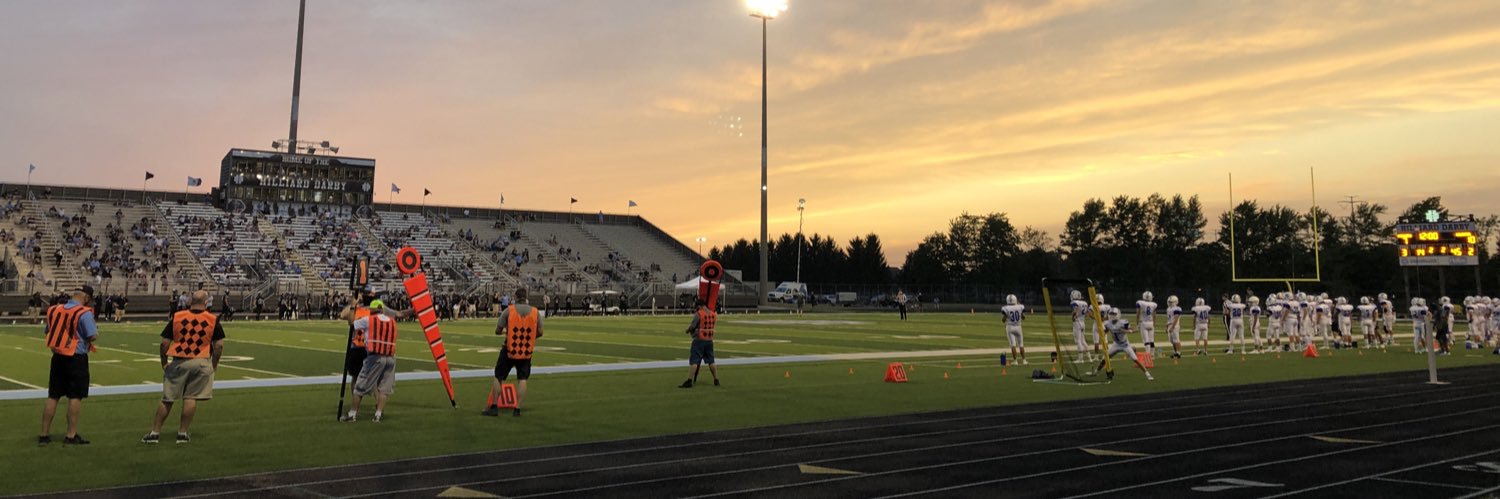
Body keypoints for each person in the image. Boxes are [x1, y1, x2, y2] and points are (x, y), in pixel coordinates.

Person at [142, 290, 224, 444]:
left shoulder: (178, 317)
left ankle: (154, 433)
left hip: (179, 361)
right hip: (201, 360)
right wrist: (214, 364)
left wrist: (164, 362)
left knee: (168, 398)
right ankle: (182, 433)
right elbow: (219, 345)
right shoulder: (212, 319)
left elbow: (164, 343)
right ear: (206, 303)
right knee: (191, 397)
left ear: (190, 301)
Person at [39, 285, 99, 446]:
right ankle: (71, 435)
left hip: (58, 356)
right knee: (75, 396)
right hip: (76, 357)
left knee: (53, 395)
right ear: (86, 298)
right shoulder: (83, 313)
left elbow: (48, 331)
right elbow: (92, 336)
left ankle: (44, 434)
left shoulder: (54, 310)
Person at [484, 288, 543, 416]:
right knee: (522, 379)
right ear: (526, 297)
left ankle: (494, 406)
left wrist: (509, 333)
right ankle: (517, 409)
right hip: (526, 350)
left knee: (499, 376)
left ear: (515, 297)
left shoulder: (508, 310)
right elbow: (540, 332)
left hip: (509, 348)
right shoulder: (535, 312)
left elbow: (498, 330)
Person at [340, 299, 399, 422]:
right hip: (391, 358)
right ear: (382, 309)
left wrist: (353, 306)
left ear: (372, 310)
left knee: (359, 387)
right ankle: (378, 414)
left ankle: (352, 414)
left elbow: (351, 323)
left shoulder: (369, 320)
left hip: (375, 356)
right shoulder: (392, 321)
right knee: (384, 388)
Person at [1090, 308, 1153, 381]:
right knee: (1105, 359)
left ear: (1118, 314)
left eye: (1114, 314)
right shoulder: (1107, 323)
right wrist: (1102, 333)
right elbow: (1106, 331)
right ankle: (1097, 371)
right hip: (1116, 344)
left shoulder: (1123, 322)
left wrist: (1125, 330)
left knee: (1135, 359)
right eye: (1111, 314)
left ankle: (1147, 374)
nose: (1112, 316)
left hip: (1125, 344)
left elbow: (1132, 330)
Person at [678, 299, 721, 388]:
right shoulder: (713, 314)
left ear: (699, 306)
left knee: (694, 360)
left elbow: (693, 326)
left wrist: (688, 330)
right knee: (711, 361)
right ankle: (716, 379)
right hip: (709, 340)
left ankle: (689, 380)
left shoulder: (699, 314)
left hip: (699, 340)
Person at [1001, 294, 1027, 365]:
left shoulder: (1006, 308)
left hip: (1010, 327)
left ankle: (1015, 361)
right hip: (1018, 327)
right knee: (1021, 344)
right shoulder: (1020, 307)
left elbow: (1003, 320)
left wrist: (1006, 317)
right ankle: (1024, 360)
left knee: (1013, 345)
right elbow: (1023, 318)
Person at [1069, 290, 1092, 361]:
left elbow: (1075, 310)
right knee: (1083, 340)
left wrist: (1073, 316)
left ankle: (1080, 359)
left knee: (1078, 340)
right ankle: (1089, 358)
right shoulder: (1085, 303)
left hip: (1077, 322)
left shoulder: (1074, 302)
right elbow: (1088, 313)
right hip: (1082, 322)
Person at [1135, 292, 1158, 358]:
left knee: (1146, 341)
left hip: (1143, 323)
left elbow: (1138, 314)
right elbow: (1154, 315)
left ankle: (1148, 356)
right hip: (1151, 323)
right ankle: (1152, 356)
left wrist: (1137, 324)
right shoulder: (1154, 304)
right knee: (1152, 340)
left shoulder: (1140, 303)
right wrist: (1154, 324)